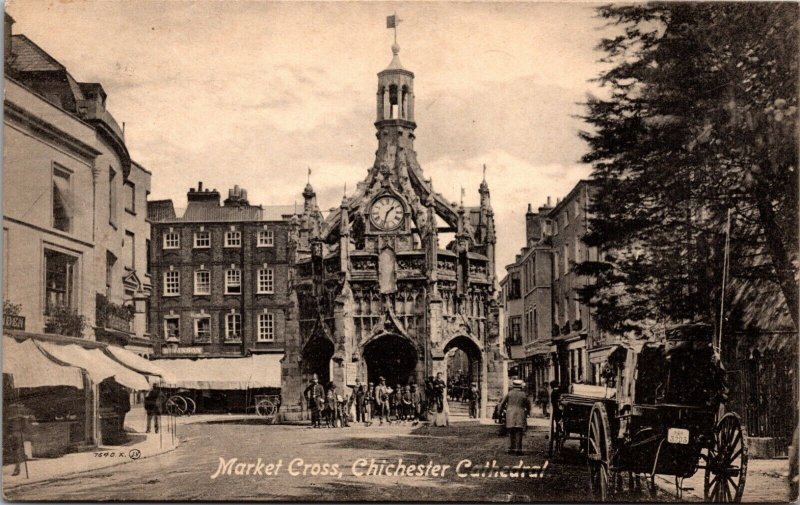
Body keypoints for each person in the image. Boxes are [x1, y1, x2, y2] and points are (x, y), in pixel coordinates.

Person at [499, 379, 531, 454]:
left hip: (510, 415)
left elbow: (502, 404)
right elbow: (528, 405)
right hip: (520, 414)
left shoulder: (509, 394)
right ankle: (518, 450)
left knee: (511, 431)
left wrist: (500, 413)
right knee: (519, 432)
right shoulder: (524, 394)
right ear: (520, 386)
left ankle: (511, 449)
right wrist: (528, 412)